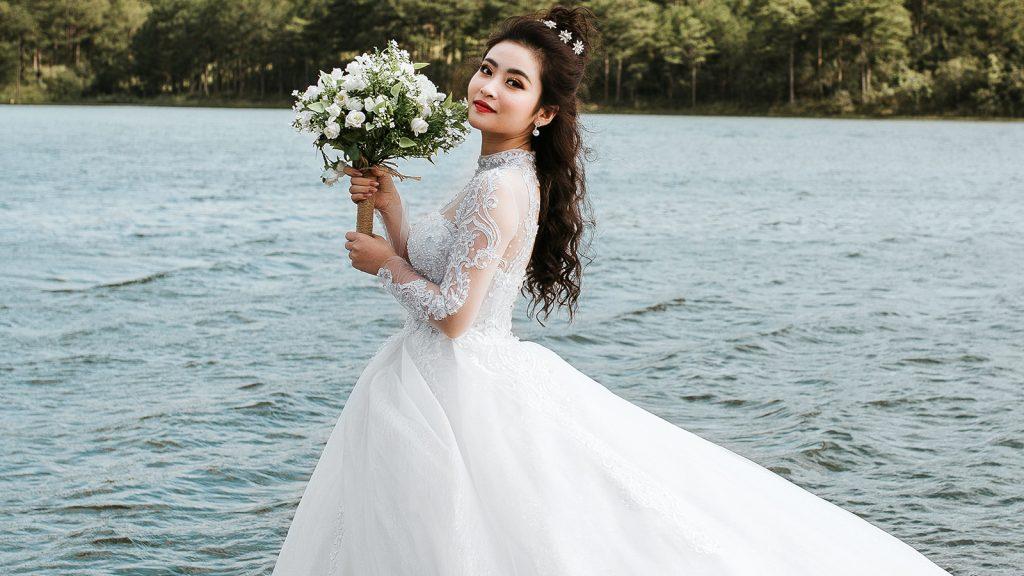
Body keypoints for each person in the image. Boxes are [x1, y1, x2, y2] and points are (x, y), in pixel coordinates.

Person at [271, 7, 952, 575]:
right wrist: (391, 206)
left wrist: (385, 265)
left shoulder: (497, 188)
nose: (489, 86)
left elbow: (453, 316)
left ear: (542, 111)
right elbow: (444, 262)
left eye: (514, 81)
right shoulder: (500, 173)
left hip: (454, 385)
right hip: (439, 380)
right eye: (486, 69)